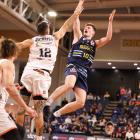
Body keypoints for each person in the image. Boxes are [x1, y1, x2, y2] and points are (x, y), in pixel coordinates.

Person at [16, 1, 84, 140]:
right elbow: (68, 23)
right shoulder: (54, 38)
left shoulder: (32, 40)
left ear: (38, 31)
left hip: (28, 73)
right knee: (39, 111)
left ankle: (16, 137)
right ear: (48, 30)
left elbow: (18, 46)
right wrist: (78, 10)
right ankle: (39, 138)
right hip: (42, 76)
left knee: (21, 109)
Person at [46, 9, 116, 117]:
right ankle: (48, 101)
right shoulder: (78, 37)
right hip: (73, 65)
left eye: (89, 28)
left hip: (83, 72)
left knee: (81, 102)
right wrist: (77, 10)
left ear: (93, 32)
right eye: (86, 27)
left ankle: (58, 113)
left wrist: (110, 22)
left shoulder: (94, 43)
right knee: (69, 84)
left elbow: (108, 38)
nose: (86, 28)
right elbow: (76, 24)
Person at [0, 38, 36, 140]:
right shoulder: (7, 63)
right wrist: (26, 108)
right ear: (15, 52)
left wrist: (10, 86)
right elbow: (9, 87)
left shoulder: (2, 62)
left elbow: (6, 86)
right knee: (16, 136)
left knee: (20, 130)